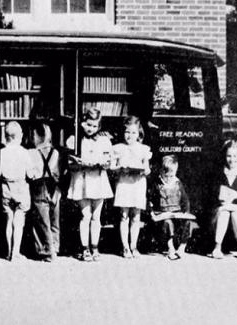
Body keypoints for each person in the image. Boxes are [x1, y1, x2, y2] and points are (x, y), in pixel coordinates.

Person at [67, 107, 113, 262]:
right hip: (82, 180)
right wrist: (80, 163)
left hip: (98, 181)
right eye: (88, 124)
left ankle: (95, 247)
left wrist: (103, 163)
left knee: (96, 216)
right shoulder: (75, 140)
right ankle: (84, 248)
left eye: (94, 126)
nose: (90, 129)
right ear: (82, 123)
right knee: (85, 215)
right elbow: (69, 164)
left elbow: (109, 163)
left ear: (99, 127)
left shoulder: (104, 141)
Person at [110, 116, 151, 258]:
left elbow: (147, 169)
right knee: (124, 215)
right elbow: (112, 167)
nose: (130, 136)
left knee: (136, 216)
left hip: (138, 184)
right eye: (127, 132)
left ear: (139, 133)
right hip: (124, 183)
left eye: (133, 133)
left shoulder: (143, 149)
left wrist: (143, 170)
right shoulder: (118, 148)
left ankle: (134, 245)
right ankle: (125, 247)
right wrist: (119, 167)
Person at [0, 121, 33, 261]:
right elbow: (30, 174)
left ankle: (8, 252)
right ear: (20, 136)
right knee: (19, 222)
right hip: (20, 188)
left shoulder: (1, 153)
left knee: (9, 220)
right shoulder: (24, 153)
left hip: (6, 187)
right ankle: (16, 252)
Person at [147, 155, 191, 260]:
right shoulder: (157, 185)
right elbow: (149, 200)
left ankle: (182, 247)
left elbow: (185, 199)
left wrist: (186, 211)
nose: (168, 179)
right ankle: (170, 247)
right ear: (161, 172)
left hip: (177, 212)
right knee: (167, 223)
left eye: (171, 176)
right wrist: (152, 212)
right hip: (163, 214)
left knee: (187, 222)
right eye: (166, 176)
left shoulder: (177, 183)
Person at [28, 123, 61, 262]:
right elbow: (57, 173)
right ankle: (55, 246)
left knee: (42, 221)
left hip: (39, 186)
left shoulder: (31, 153)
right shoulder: (56, 152)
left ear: (35, 136)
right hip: (54, 187)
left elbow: (30, 173)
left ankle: (46, 251)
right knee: (54, 219)